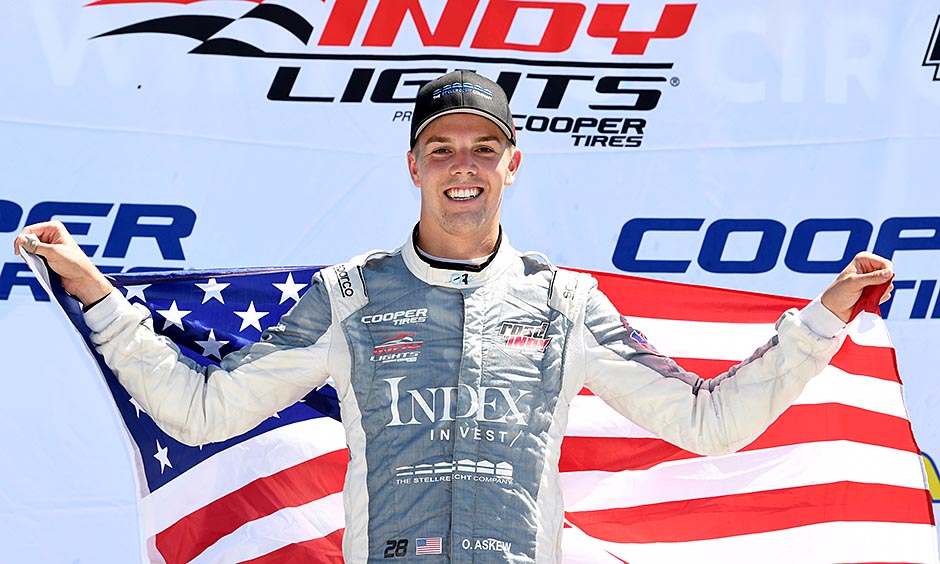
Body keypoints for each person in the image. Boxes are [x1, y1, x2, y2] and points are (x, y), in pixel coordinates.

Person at [14, 70, 894, 564]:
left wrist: (820, 320)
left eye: (481, 149)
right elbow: (201, 411)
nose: (460, 168)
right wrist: (96, 295)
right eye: (441, 150)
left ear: (513, 165)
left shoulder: (566, 303)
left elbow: (708, 423)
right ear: (413, 167)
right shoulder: (349, 295)